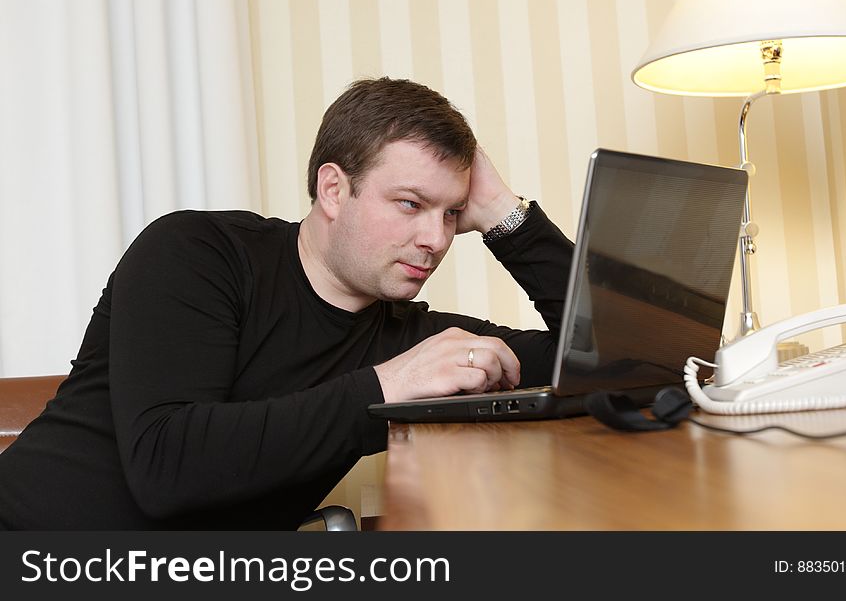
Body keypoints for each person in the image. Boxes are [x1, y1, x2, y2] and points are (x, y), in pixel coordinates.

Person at [0, 77, 573, 529]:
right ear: (332, 189)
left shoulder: (410, 345)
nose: (437, 238)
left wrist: (506, 218)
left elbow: (623, 358)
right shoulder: (197, 253)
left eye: (451, 212)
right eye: (409, 203)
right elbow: (165, 468)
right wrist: (383, 390)